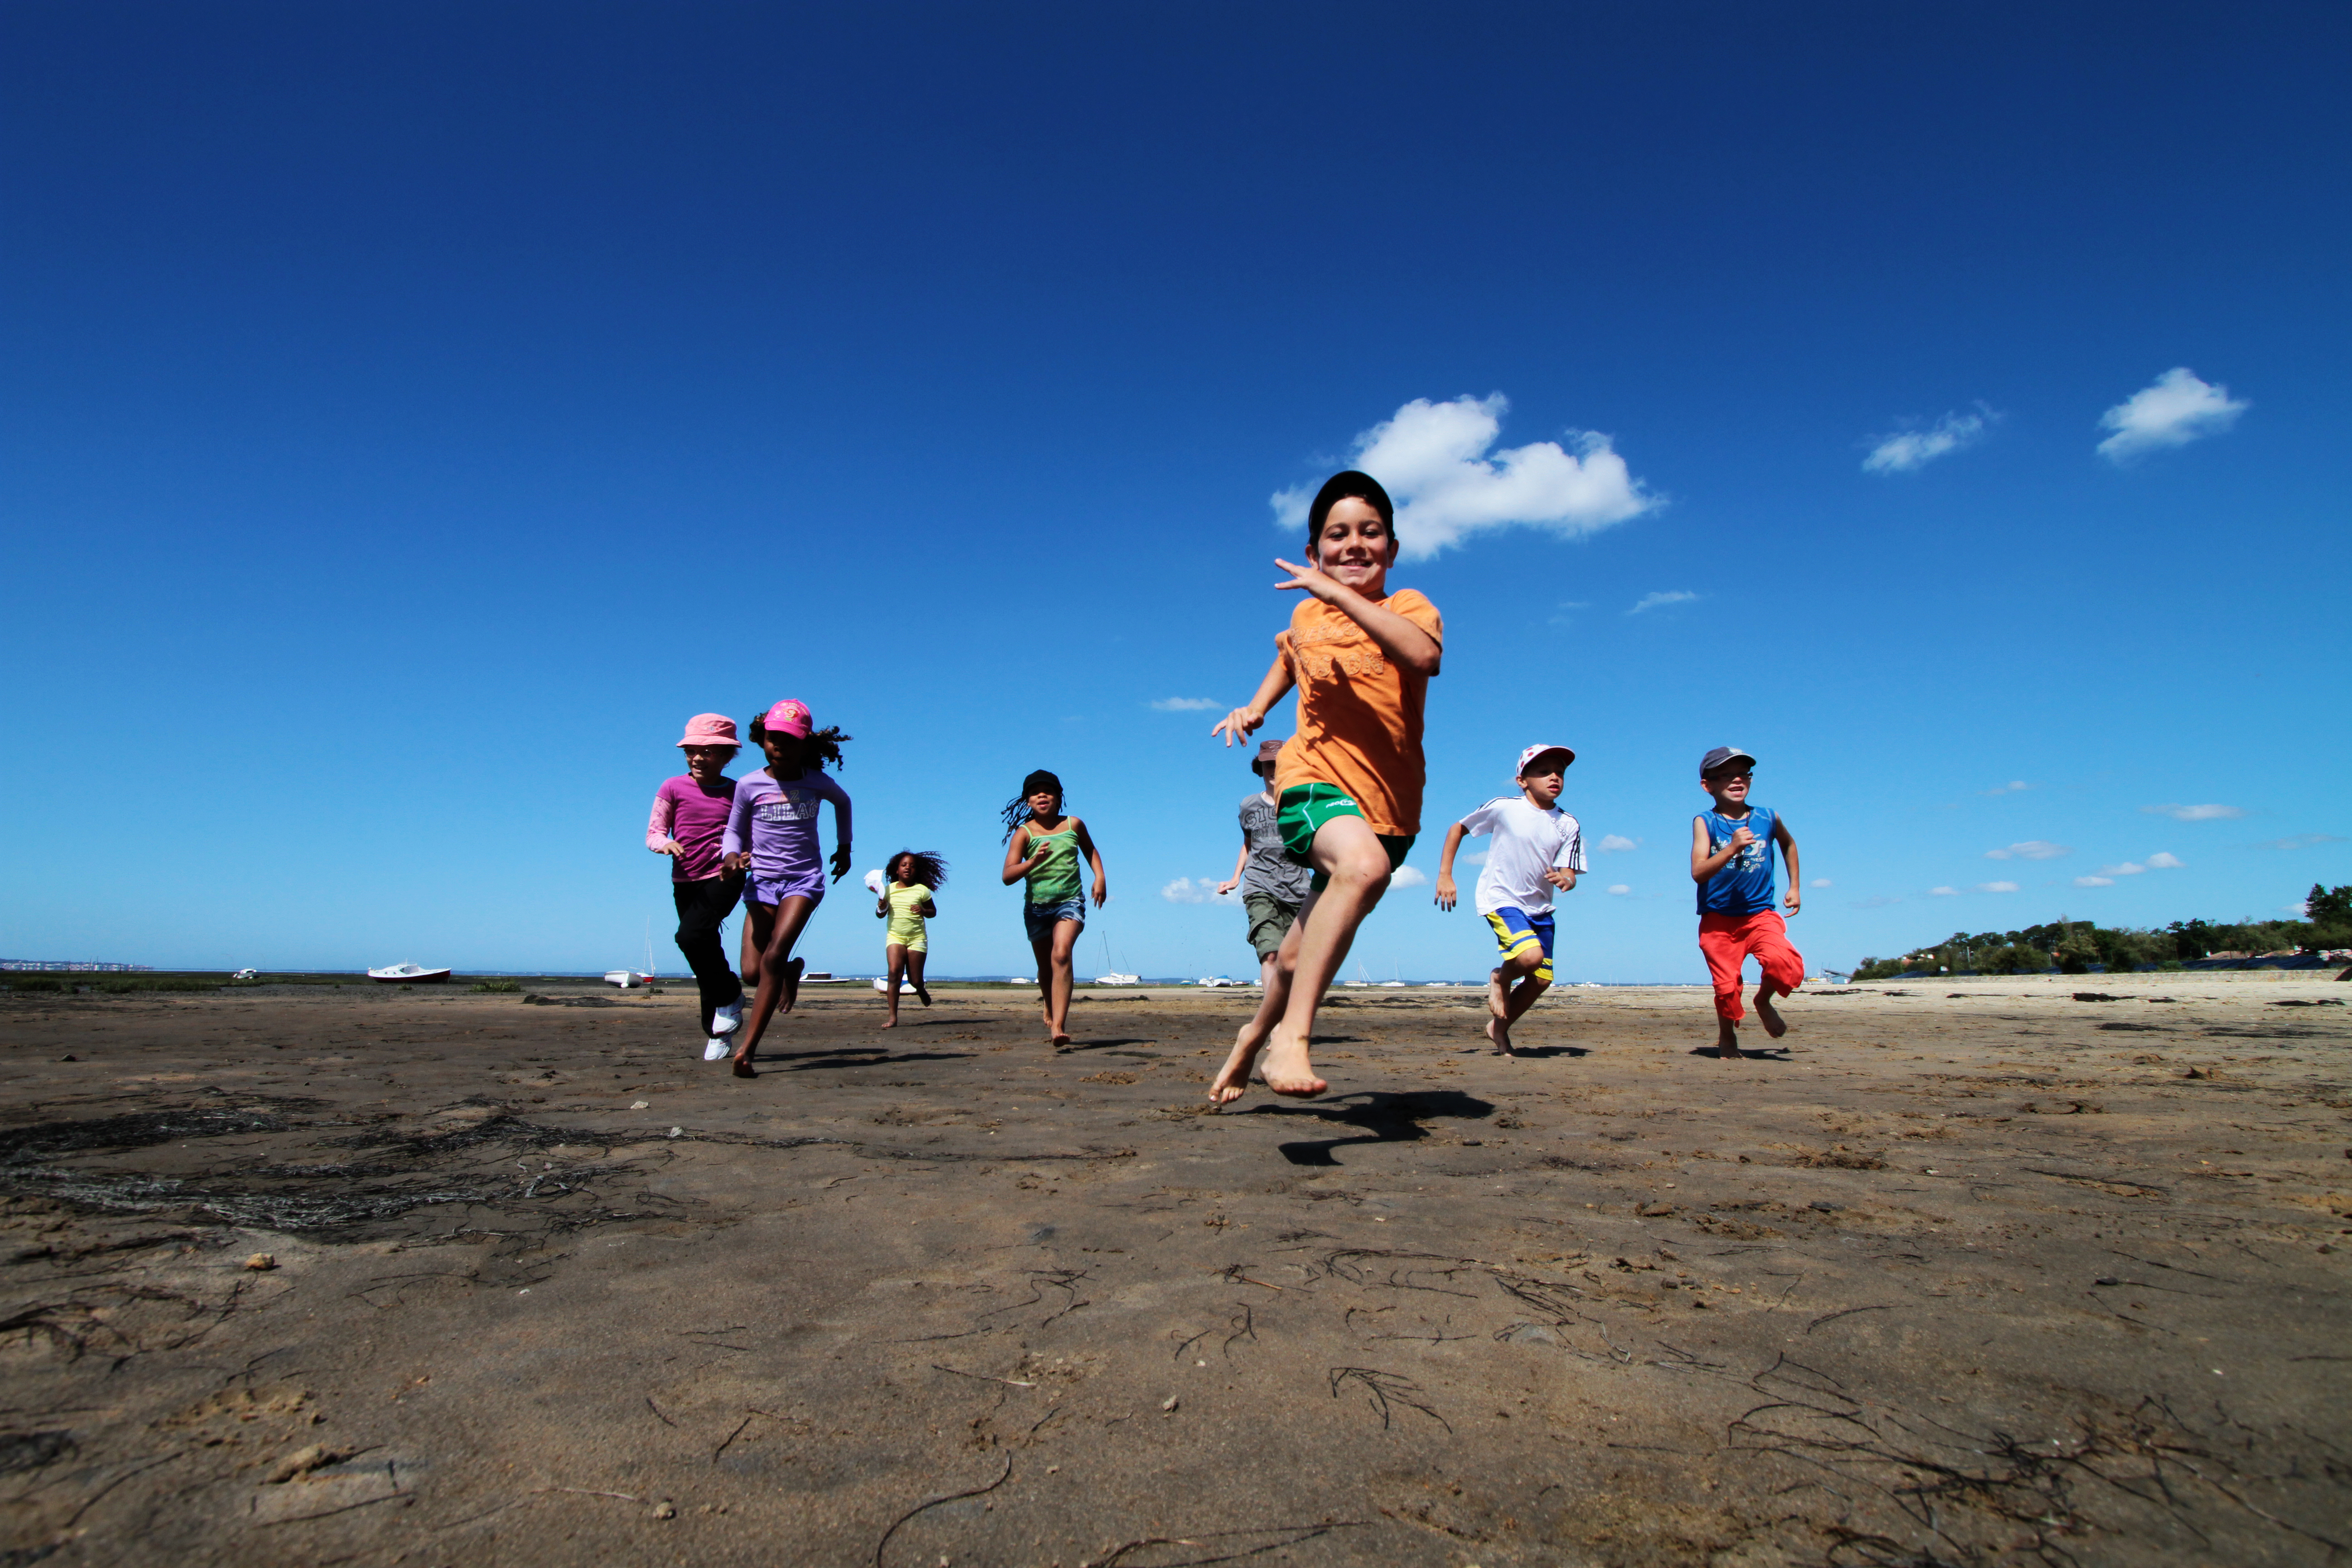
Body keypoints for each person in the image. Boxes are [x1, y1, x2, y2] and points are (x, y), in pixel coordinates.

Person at [1208, 470, 1442, 1102]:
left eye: (1370, 533)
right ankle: (1294, 1039)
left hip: (1391, 807)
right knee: (1360, 866)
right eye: (1338, 535)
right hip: (1312, 777)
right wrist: (1256, 709)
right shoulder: (1305, 610)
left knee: (1293, 957)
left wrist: (1340, 599)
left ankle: (1252, 1038)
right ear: (1315, 553)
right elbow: (1290, 655)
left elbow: (1423, 658)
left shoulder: (1408, 607)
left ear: (1392, 549)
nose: (1355, 545)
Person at [718, 701, 853, 1077]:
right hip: (761, 882)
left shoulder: (817, 781)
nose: (779, 746)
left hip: (803, 880)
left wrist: (844, 847)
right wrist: (731, 858)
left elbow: (844, 803)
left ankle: (748, 1050)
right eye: (772, 738)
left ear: (805, 744)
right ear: (763, 739)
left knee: (773, 956)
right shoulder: (749, 785)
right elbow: (733, 830)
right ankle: (791, 973)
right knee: (751, 972)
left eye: (789, 740)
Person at [1434, 744, 1586, 1056]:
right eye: (1543, 772)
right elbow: (1457, 829)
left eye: (1559, 772)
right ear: (1522, 780)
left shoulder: (1569, 823)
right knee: (1529, 959)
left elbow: (1569, 871)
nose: (1554, 777)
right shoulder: (1505, 807)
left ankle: (1498, 1029)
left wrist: (1566, 880)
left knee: (1541, 980)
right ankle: (1499, 977)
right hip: (1501, 897)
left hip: (1540, 907)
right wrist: (1445, 875)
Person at [1689, 745, 1803, 1059]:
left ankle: (1763, 1001)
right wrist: (1731, 849)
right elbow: (1698, 872)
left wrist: (1795, 886)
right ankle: (1727, 1037)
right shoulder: (1706, 822)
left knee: (1784, 965)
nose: (1737, 780)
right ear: (1708, 785)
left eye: (1743, 774)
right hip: (1718, 920)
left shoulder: (1767, 817)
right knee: (1726, 988)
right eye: (1726, 776)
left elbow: (1789, 844)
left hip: (1760, 914)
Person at [646, 713, 748, 1060]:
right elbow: (655, 831)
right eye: (691, 751)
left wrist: (744, 856)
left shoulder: (738, 792)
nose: (698, 758)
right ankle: (717, 1031)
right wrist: (664, 844)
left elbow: (753, 835)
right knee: (704, 948)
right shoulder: (672, 787)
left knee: (690, 937)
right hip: (684, 880)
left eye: (708, 751)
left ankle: (731, 995)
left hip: (724, 877)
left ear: (726, 756)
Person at [999, 770, 1106, 1047]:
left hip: (1070, 902)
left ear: (1060, 797)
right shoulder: (1024, 833)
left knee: (1061, 955)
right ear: (1028, 801)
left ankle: (1058, 1025)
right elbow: (1008, 876)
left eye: (1049, 791)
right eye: (1036, 793)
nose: (1042, 795)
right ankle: (1048, 1003)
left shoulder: (1074, 824)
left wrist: (1100, 877)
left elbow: (1091, 851)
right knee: (1045, 967)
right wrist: (1032, 862)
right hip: (1036, 908)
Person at [1215, 738, 1312, 995]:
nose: (1273, 770)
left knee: (1292, 960)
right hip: (1259, 885)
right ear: (1260, 768)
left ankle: (1289, 1014)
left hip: (1298, 888)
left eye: (1279, 764)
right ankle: (1272, 1021)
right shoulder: (1248, 806)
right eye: (1268, 764)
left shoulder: (1303, 805)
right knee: (1270, 953)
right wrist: (1236, 878)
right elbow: (1248, 844)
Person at [875, 850, 945, 1027]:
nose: (908, 868)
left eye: (912, 866)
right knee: (894, 974)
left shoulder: (922, 890)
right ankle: (893, 1018)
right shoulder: (888, 890)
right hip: (895, 937)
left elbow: (933, 913)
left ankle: (921, 990)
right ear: (897, 870)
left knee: (915, 981)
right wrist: (882, 907)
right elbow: (880, 915)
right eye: (904, 865)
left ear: (917, 871)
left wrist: (923, 911)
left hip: (917, 938)